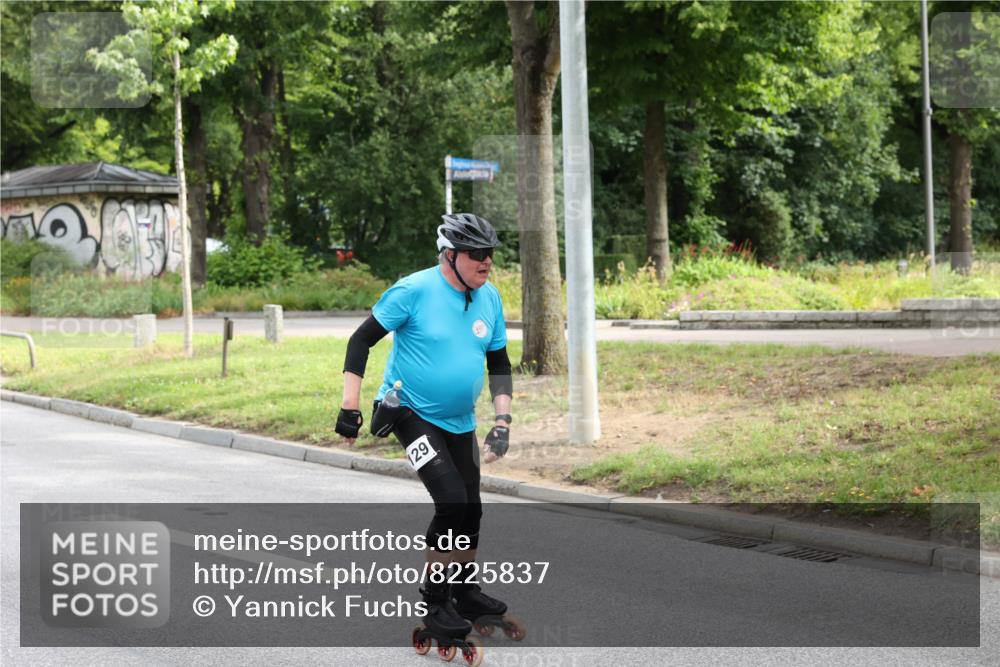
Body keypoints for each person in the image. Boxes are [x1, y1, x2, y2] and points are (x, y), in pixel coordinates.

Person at [335, 213, 514, 641]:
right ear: (450, 256)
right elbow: (361, 341)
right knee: (451, 501)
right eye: (477, 254)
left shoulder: (489, 298)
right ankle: (436, 601)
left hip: (460, 420)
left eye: (490, 254)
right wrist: (349, 408)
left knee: (471, 507)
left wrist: (503, 420)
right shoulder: (413, 290)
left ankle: (466, 590)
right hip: (407, 410)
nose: (486, 262)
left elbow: (499, 362)